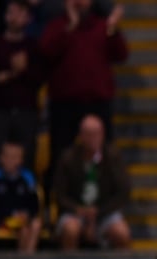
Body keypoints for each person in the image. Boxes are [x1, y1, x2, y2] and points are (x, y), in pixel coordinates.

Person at [40, 0, 128, 203]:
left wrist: (113, 30)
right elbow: (46, 52)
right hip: (65, 104)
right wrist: (69, 27)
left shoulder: (102, 26)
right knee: (60, 155)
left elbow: (121, 54)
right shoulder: (57, 26)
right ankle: (58, 206)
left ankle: (105, 206)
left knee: (105, 156)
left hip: (97, 102)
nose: (79, 2)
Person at [52, 114, 130, 250]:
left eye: (96, 134)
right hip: (75, 211)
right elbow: (59, 194)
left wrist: (98, 212)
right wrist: (78, 209)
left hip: (105, 211)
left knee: (121, 232)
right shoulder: (68, 158)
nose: (92, 138)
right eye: (88, 134)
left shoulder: (113, 157)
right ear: (81, 135)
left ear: (102, 134)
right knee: (71, 229)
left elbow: (123, 192)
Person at [0, 0, 45, 169]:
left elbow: (39, 78)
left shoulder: (33, 46)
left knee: (27, 158)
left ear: (28, 18)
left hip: (26, 110)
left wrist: (18, 72)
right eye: (11, 12)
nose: (14, 17)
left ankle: (27, 193)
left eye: (19, 13)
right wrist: (14, 72)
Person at [0, 139, 41, 253]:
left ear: (21, 160)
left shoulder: (27, 177)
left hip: (22, 220)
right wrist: (9, 215)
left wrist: (27, 214)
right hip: (2, 221)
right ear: (1, 158)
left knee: (35, 225)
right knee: (22, 231)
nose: (10, 160)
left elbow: (34, 204)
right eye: (7, 156)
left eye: (14, 157)